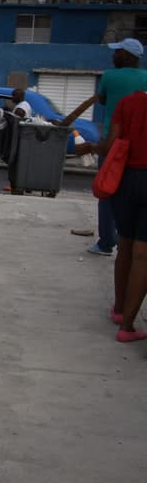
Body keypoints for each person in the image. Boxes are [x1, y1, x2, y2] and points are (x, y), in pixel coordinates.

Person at [89, 39, 147, 256]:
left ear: (128, 56)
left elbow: (102, 100)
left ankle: (106, 242)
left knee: (106, 191)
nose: (114, 56)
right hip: (140, 148)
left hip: (112, 145)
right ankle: (133, 239)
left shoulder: (110, 76)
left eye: (118, 52)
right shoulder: (146, 78)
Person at [107, 89, 147, 341]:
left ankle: (119, 309)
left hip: (127, 178)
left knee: (125, 245)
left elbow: (113, 142)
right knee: (142, 255)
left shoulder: (128, 101)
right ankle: (128, 327)